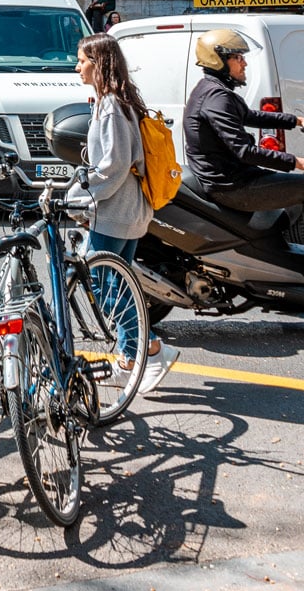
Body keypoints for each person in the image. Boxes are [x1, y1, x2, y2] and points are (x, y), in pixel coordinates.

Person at [71, 33, 179, 395]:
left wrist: (81, 198)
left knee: (102, 286)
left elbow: (114, 164)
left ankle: (150, 348)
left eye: (83, 60)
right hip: (131, 210)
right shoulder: (121, 101)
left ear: (98, 63)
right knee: (121, 286)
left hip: (117, 211)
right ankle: (131, 359)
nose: (78, 67)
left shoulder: (111, 106)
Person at [183, 29, 304, 215]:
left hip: (235, 178)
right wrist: (297, 162)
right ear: (219, 60)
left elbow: (250, 116)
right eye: (238, 58)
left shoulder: (213, 90)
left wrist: (296, 120)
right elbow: (244, 151)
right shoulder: (217, 97)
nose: (244, 63)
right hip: (231, 187)